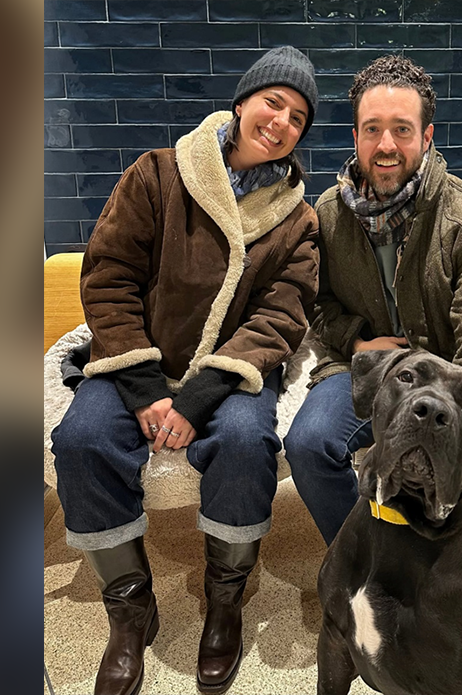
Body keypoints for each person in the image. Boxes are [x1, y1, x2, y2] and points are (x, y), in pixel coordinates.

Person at [50, 46, 320, 695]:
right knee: (81, 439)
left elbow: (282, 315)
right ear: (242, 102)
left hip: (232, 371)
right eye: (273, 102)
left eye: (298, 117)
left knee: (246, 440)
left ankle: (226, 602)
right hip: (140, 356)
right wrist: (145, 386)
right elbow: (109, 276)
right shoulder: (156, 175)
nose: (282, 122)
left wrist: (200, 395)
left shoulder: (298, 219)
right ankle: (130, 609)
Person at [284, 55, 462, 588]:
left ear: (426, 136)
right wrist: (358, 342)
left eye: (402, 129)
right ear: (355, 136)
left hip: (460, 377)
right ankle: (366, 571)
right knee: (309, 444)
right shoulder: (327, 214)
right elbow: (318, 304)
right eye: (372, 129)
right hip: (370, 373)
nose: (386, 145)